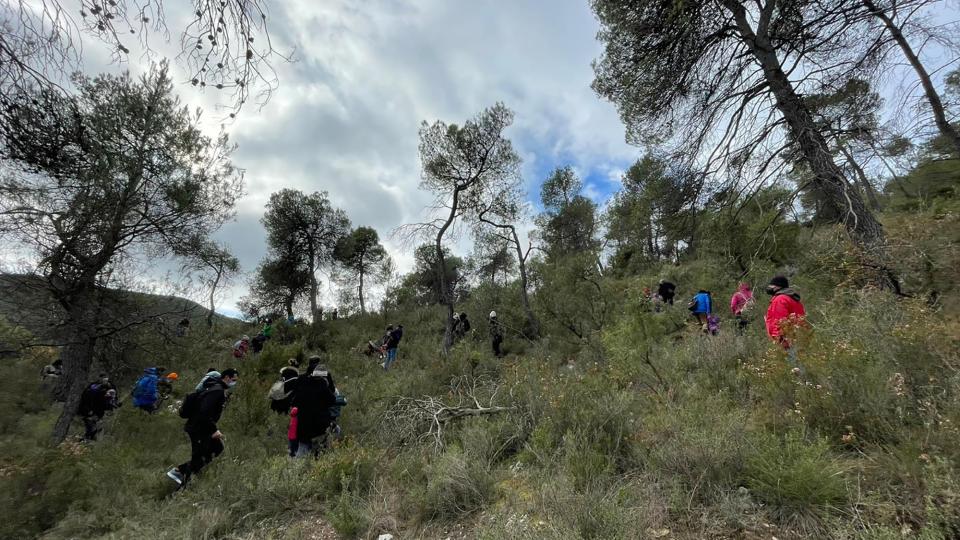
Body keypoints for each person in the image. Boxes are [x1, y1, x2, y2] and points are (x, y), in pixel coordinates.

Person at [166, 368, 240, 487]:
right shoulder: (217, 390)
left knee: (216, 448)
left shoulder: (215, 388)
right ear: (226, 377)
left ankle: (181, 472)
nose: (234, 383)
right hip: (199, 428)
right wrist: (214, 430)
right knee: (200, 456)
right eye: (234, 380)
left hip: (199, 427)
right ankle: (182, 484)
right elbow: (204, 412)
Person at [284, 357, 337, 457]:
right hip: (321, 425)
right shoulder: (322, 382)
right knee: (334, 432)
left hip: (303, 425)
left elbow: (293, 400)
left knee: (302, 449)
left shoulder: (301, 379)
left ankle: (295, 467)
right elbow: (332, 399)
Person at [764, 275, 807, 366]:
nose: (769, 288)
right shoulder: (792, 298)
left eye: (771, 285)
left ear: (778, 286)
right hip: (798, 338)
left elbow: (780, 322)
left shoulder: (780, 299)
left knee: (794, 369)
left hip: (787, 342)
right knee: (800, 367)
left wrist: (779, 341)